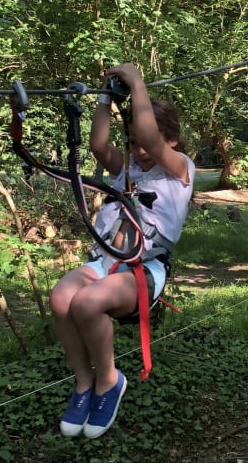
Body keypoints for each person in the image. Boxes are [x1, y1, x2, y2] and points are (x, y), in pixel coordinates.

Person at [48, 63, 195, 439]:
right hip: (107, 262)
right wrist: (105, 98)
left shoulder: (179, 170)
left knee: (87, 304)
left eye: (147, 144)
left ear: (171, 142)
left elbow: (148, 133)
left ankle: (109, 381)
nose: (139, 150)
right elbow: (99, 145)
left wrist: (136, 83)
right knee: (62, 296)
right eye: (132, 144)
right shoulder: (126, 168)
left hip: (144, 272)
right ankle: (84, 384)